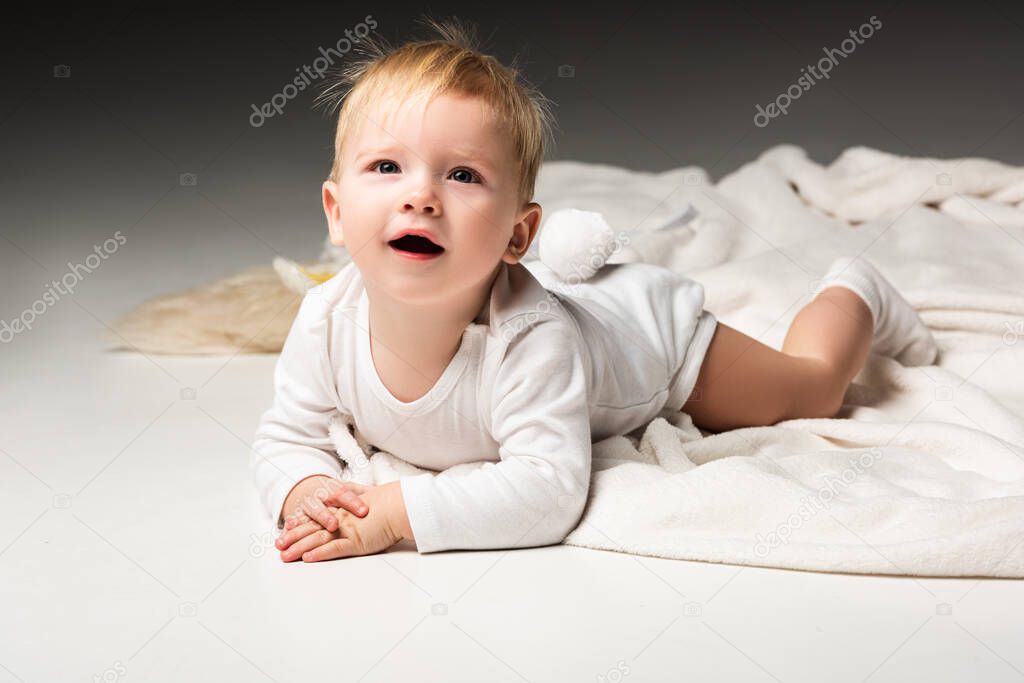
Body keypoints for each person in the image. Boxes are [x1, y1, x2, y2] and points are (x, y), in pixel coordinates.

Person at [254, 17, 937, 563]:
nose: (421, 195)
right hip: (580, 304)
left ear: (517, 236)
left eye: (461, 175)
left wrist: (395, 515)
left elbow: (547, 490)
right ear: (337, 212)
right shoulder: (325, 318)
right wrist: (305, 489)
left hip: (651, 341)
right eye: (386, 166)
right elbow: (286, 434)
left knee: (811, 389)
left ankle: (856, 290)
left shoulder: (530, 338)